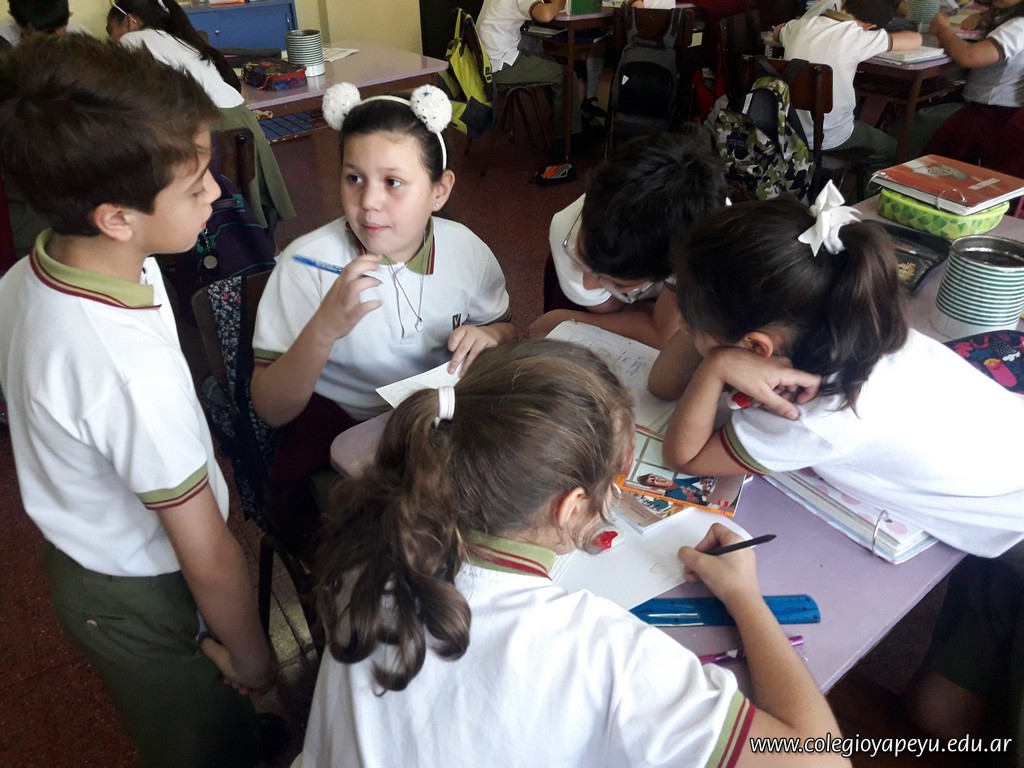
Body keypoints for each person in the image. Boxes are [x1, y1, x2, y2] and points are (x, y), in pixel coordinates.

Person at [297, 338, 850, 767]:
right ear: (572, 507)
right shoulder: (603, 652)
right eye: (618, 479)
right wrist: (745, 596)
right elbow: (821, 757)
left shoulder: (375, 538)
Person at [0, 34, 274, 767]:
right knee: (197, 739)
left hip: (110, 545)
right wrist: (256, 660)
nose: (216, 192)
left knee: (211, 709)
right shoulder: (126, 376)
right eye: (195, 185)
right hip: (136, 590)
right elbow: (208, 557)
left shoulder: (49, 263)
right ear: (116, 216)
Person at [650, 184, 1024, 560]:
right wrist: (713, 330)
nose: (683, 328)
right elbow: (662, 385)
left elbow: (684, 458)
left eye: (691, 324)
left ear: (757, 348)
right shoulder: (851, 323)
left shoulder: (810, 410)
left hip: (1007, 520)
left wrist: (716, 365)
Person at [251, 83, 516, 521]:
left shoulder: (466, 250)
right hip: (342, 438)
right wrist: (323, 329)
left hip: (438, 423)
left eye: (393, 182)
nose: (369, 202)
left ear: (439, 191)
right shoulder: (307, 265)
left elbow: (507, 331)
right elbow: (271, 407)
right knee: (415, 527)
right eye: (353, 178)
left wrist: (491, 336)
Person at [106, 0, 295, 231]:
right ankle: (254, 240)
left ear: (129, 21)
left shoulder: (131, 40)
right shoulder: (179, 40)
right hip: (242, 121)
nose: (111, 39)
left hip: (212, 126)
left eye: (110, 30)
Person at [528, 130, 728, 348]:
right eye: (580, 255)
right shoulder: (565, 232)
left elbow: (665, 336)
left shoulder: (706, 240)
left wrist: (566, 319)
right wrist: (649, 316)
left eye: (617, 283)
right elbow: (608, 311)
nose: (588, 283)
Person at [773, 0, 923, 172]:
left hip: (787, 129)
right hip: (829, 136)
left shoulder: (801, 26)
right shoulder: (857, 37)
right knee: (893, 150)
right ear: (870, 26)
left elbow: (777, 31)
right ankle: (865, 189)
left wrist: (792, 26)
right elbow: (915, 39)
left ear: (844, 3)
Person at [915, 0, 1024, 177]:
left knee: (910, 128)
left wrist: (942, 29)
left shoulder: (1018, 26)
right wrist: (984, 16)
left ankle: (899, 173)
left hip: (990, 113)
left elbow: (969, 56)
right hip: (998, 108)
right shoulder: (1010, 18)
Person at [476, 0, 586, 142]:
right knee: (566, 74)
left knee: (547, 59)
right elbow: (545, 15)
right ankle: (567, 139)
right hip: (501, 66)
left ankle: (562, 118)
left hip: (486, 61)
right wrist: (560, 2)